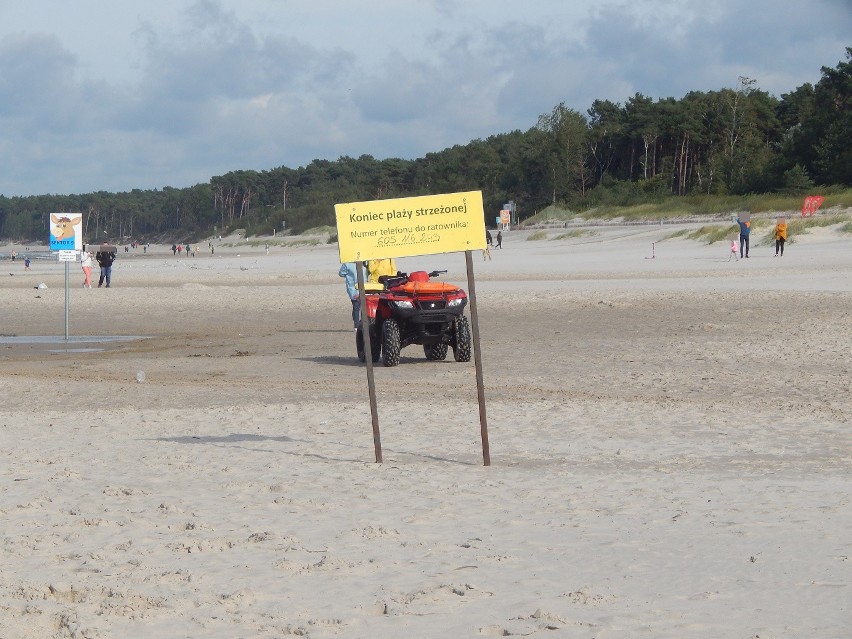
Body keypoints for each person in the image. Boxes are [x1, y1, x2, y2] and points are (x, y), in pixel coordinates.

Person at [339, 262, 367, 329]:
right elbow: (341, 273)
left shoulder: (365, 262)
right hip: (355, 289)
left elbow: (341, 273)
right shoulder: (347, 264)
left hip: (363, 288)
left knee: (361, 307)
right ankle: (357, 325)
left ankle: (361, 324)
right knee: (357, 306)